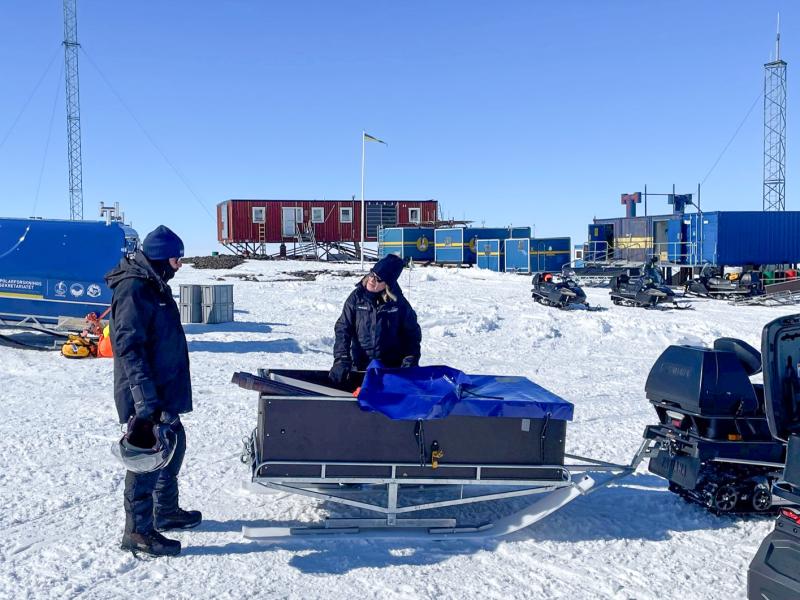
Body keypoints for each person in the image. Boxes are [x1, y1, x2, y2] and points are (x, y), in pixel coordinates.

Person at [106, 225, 201, 557]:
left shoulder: (153, 284)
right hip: (145, 391)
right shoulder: (134, 288)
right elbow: (128, 346)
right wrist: (144, 399)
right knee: (144, 459)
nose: (179, 265)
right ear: (162, 256)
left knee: (175, 443)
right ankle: (138, 531)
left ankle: (166, 511)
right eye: (177, 259)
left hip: (162, 387)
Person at [329, 254, 422, 383]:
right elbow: (343, 329)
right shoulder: (356, 298)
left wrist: (409, 362)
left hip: (390, 370)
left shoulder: (398, 304)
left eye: (378, 279)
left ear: (387, 285)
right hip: (360, 368)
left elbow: (412, 335)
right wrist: (341, 359)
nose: (372, 280)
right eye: (372, 274)